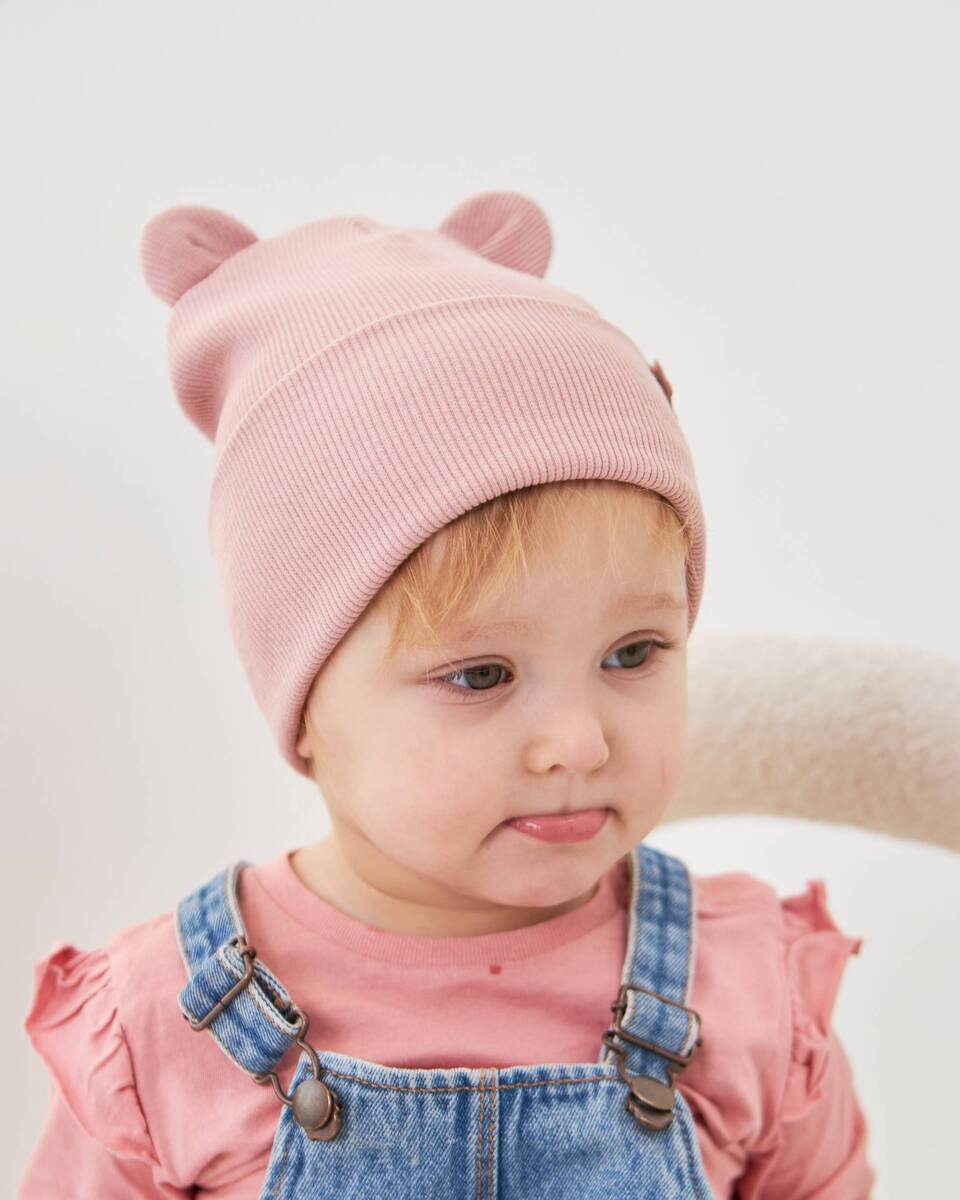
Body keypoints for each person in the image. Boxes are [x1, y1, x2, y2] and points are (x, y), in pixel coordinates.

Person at [17, 191, 875, 1197]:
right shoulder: (169, 1028)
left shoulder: (748, 994)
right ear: (304, 704)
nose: (578, 743)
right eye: (479, 675)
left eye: (634, 652)